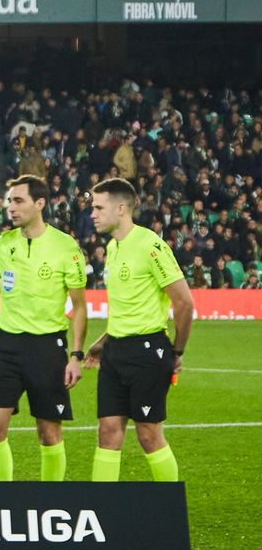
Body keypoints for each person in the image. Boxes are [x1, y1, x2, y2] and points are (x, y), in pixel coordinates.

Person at [0, 175, 88, 481]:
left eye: (18, 201)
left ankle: (50, 499)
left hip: (48, 347)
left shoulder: (66, 247)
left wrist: (76, 355)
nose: (10, 207)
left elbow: (79, 306)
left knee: (49, 433)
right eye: (9, 201)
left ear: (40, 203)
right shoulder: (2, 245)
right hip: (7, 345)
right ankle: (5, 497)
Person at [85, 179, 195, 482]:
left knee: (148, 434)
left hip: (147, 351)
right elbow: (127, 306)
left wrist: (177, 351)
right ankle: (102, 505)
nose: (92, 214)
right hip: (115, 352)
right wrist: (103, 341)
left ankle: (169, 502)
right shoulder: (112, 247)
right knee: (107, 432)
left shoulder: (150, 245)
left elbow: (184, 303)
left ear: (121, 208)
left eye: (99, 207)